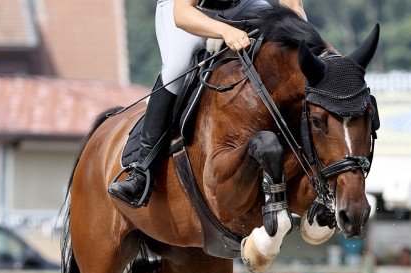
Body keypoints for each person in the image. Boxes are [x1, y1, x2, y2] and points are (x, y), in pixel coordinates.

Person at [108, 0, 307, 207]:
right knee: (176, 70)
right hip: (190, 9)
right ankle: (142, 173)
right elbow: (182, 14)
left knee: (287, 45)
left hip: (244, 5)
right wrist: (225, 31)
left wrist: (304, 41)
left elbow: (292, 7)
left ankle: (314, 161)